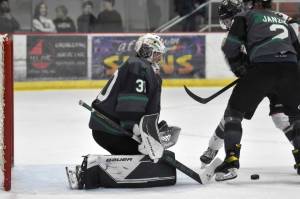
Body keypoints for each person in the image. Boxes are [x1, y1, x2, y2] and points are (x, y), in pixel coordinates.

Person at [66, 33, 180, 189]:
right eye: (156, 53)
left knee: (150, 158)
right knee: (145, 159)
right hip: (111, 129)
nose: (159, 58)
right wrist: (136, 130)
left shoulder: (144, 68)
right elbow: (131, 102)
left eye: (160, 54)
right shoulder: (139, 67)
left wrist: (150, 131)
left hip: (114, 128)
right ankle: (88, 171)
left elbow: (143, 106)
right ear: (147, 51)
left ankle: (94, 170)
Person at [200, 0, 300, 173]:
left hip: (261, 72)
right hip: (287, 69)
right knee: (290, 115)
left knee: (234, 113)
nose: (227, 24)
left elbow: (232, 52)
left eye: (228, 19)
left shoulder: (245, 19)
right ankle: (212, 148)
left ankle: (221, 152)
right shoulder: (278, 18)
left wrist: (242, 69)